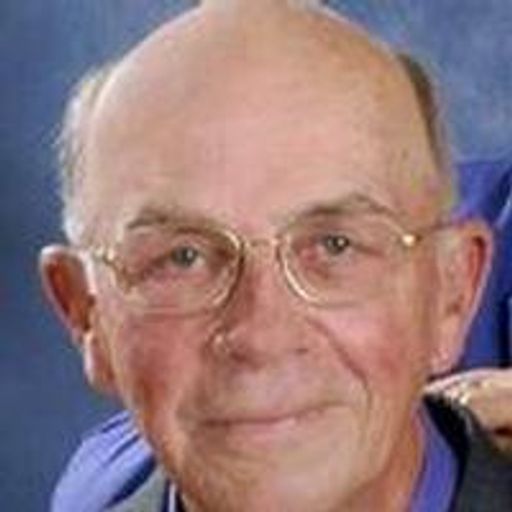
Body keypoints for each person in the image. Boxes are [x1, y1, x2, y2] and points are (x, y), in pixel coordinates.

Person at [40, 0, 512, 510]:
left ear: (453, 295)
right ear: (86, 316)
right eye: (183, 257)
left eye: (334, 246)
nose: (262, 336)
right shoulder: (99, 486)